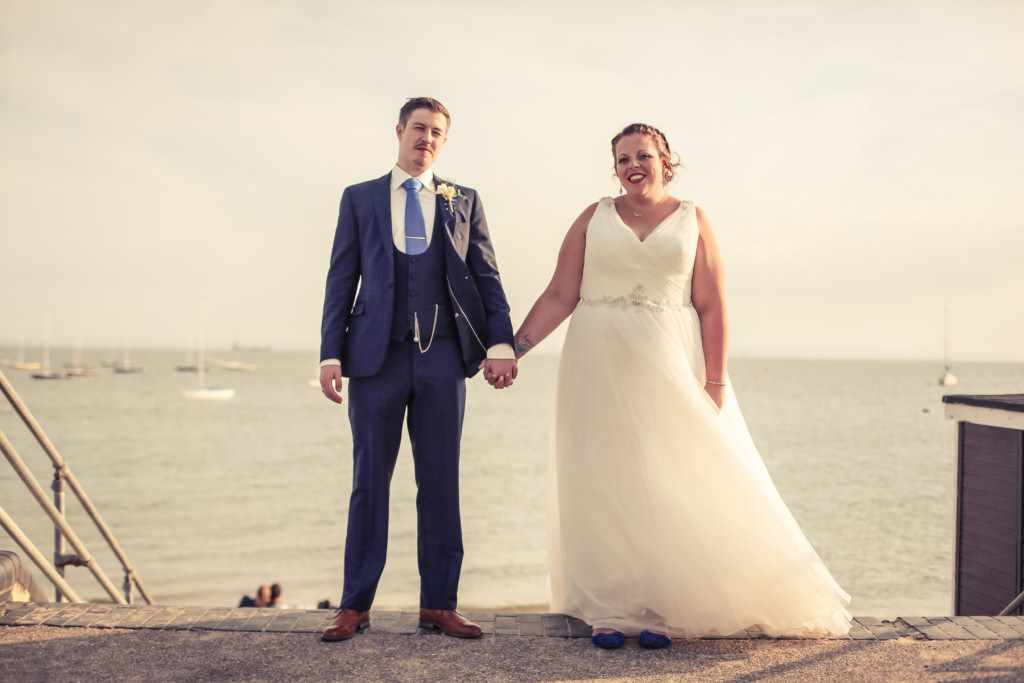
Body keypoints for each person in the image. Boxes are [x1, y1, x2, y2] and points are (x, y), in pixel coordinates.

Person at [507, 123, 852, 649]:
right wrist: (515, 349)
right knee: (602, 475)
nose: (632, 166)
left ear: (666, 161)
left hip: (670, 360)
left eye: (642, 155)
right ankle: (609, 607)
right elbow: (560, 292)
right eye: (622, 159)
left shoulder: (694, 219)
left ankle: (660, 607)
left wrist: (714, 380)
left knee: (667, 474)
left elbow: (712, 305)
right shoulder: (593, 217)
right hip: (595, 361)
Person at [318, 97, 517, 642]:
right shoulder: (359, 198)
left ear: (443, 142)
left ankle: (439, 604)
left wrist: (501, 340)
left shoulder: (463, 200)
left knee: (440, 483)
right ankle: (354, 606)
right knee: (369, 484)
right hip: (374, 361)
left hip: (444, 360)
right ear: (399, 130)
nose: (426, 138)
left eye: (436, 132)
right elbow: (342, 276)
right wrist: (330, 352)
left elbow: (487, 274)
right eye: (418, 128)